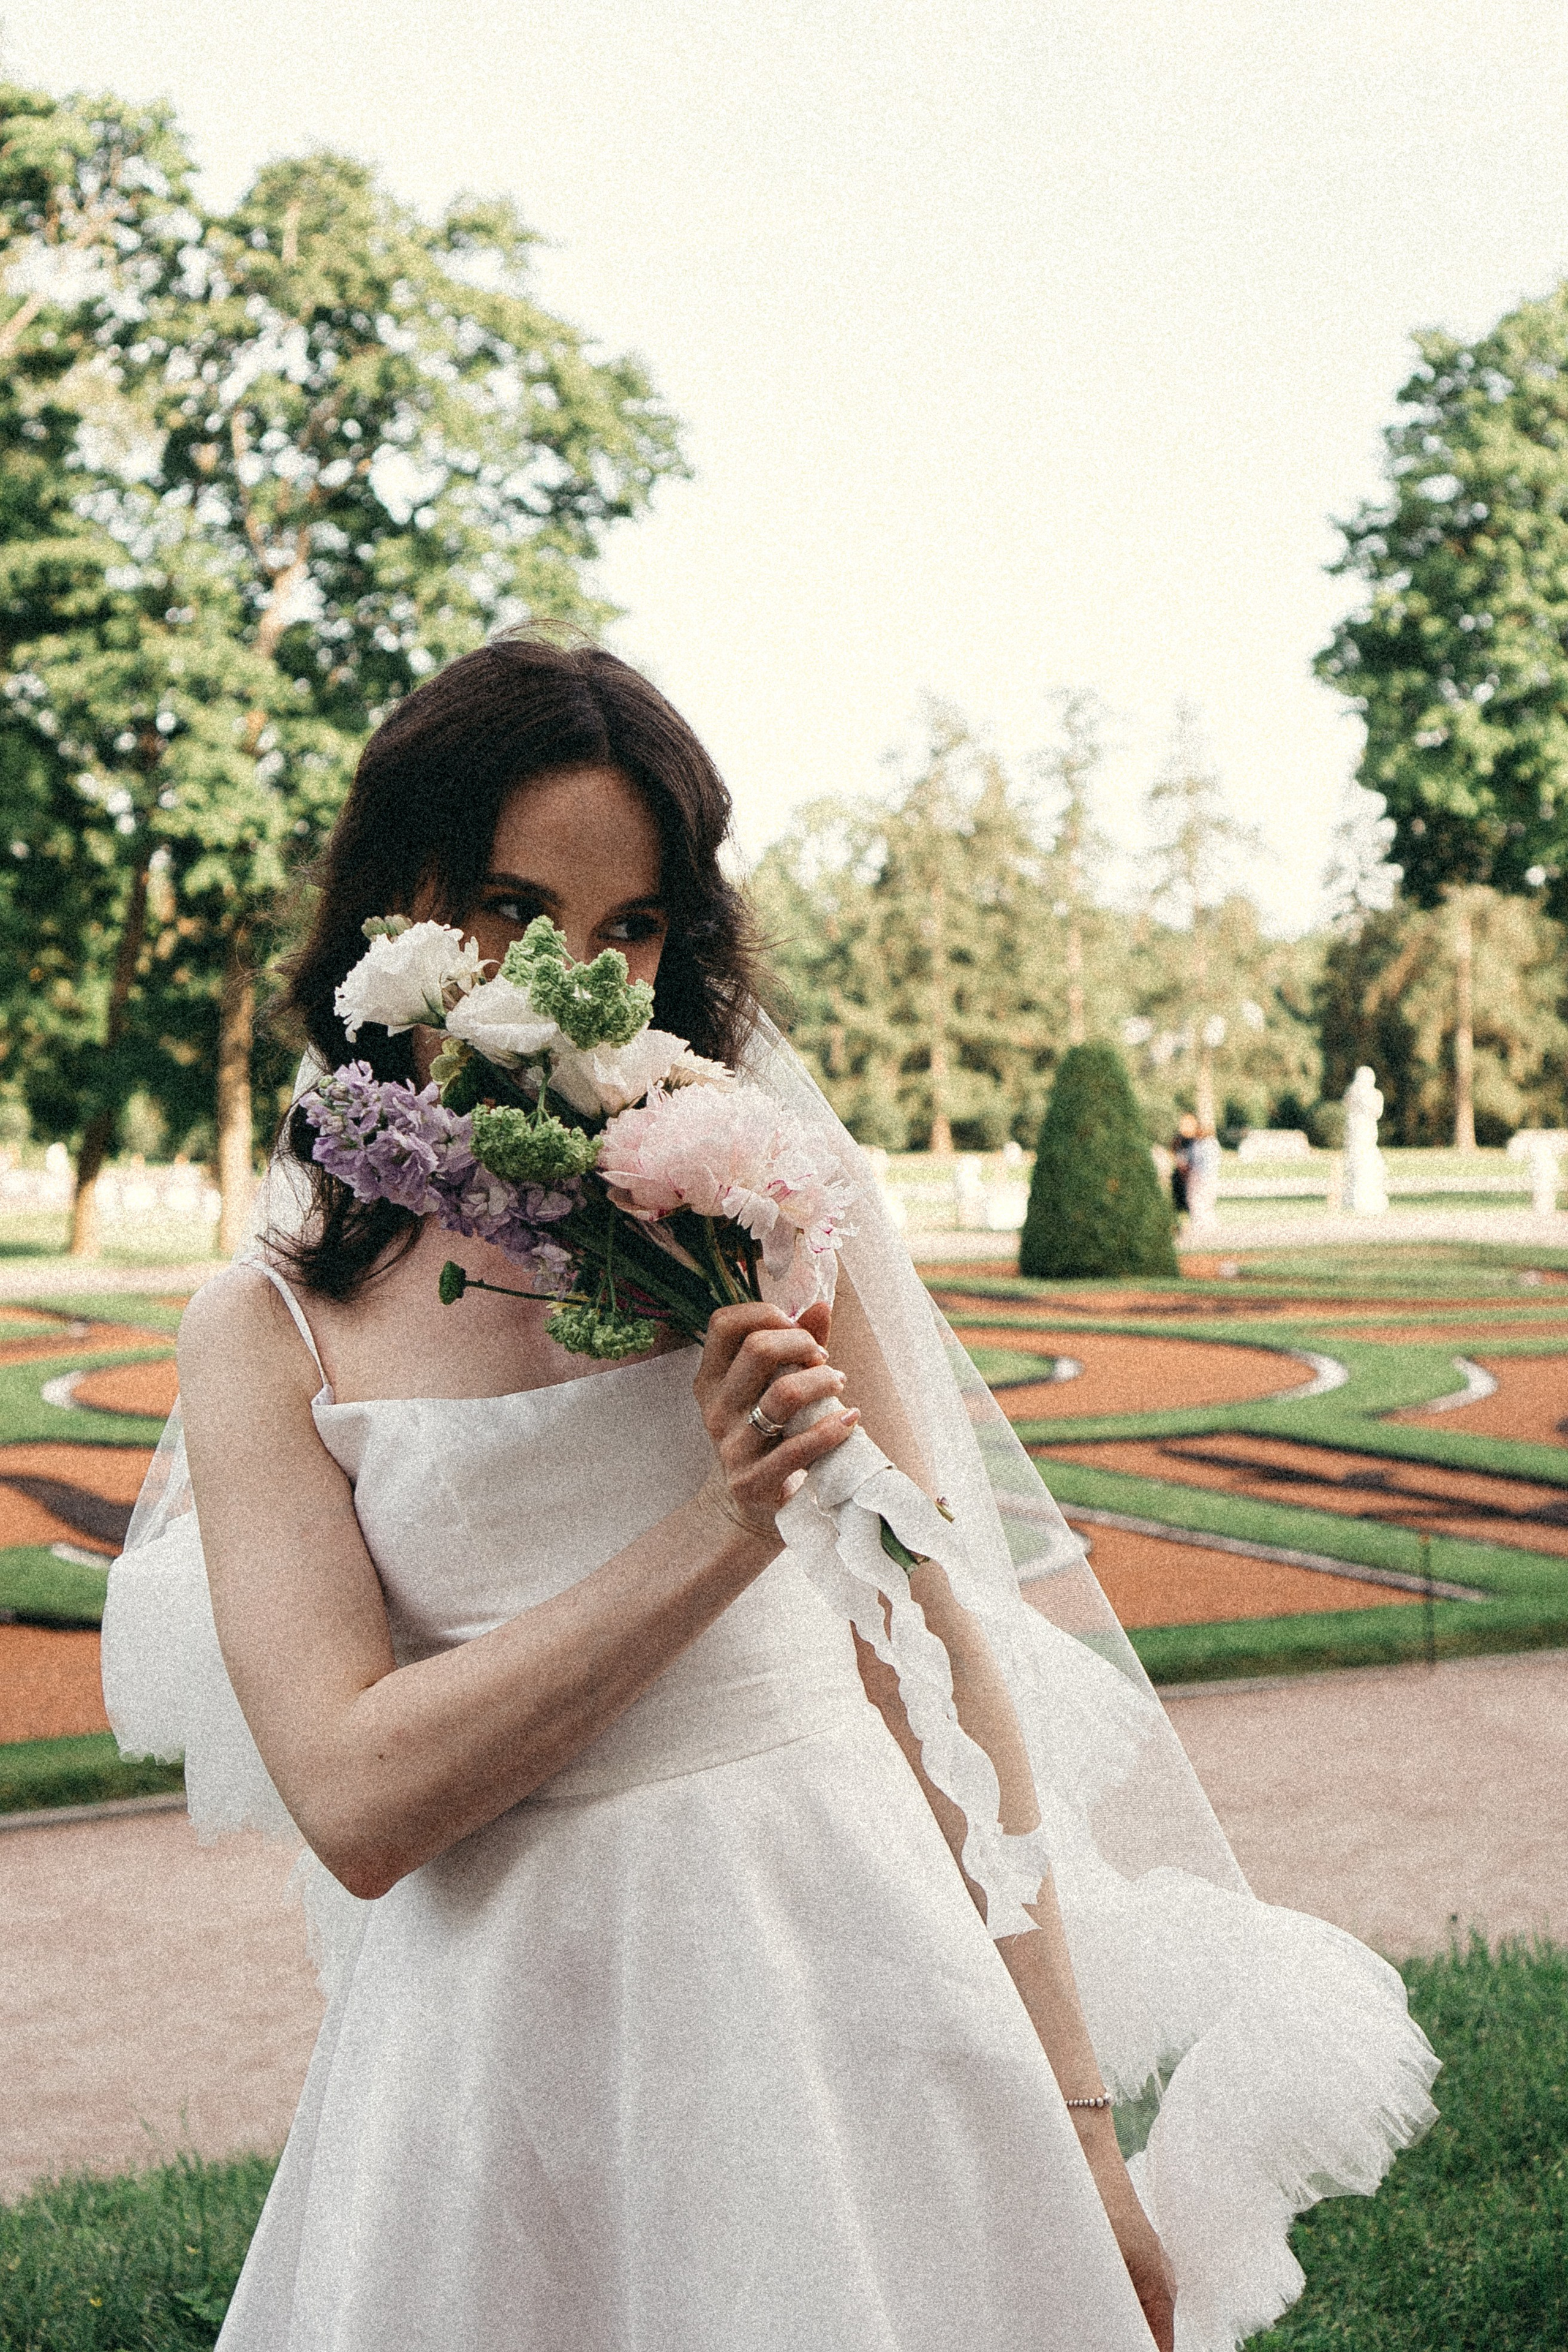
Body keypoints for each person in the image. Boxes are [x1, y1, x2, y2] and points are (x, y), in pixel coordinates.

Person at [104, 636, 1437, 2352]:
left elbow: (934, 1663)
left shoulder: (766, 1225)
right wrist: (726, 1526)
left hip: (849, 1976)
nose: (579, 979)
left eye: (632, 928)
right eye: (513, 910)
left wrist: (1083, 2126)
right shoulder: (265, 1330)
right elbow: (358, 1802)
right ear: (399, 906)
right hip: (498, 2060)